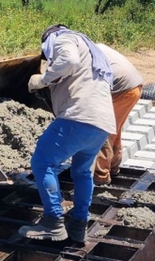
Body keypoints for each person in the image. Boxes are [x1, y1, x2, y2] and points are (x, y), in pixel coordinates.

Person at [20, 25, 115, 243]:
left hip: (78, 116)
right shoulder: (90, 51)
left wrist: (43, 79)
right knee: (82, 172)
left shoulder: (62, 38)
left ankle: (53, 222)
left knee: (42, 162)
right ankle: (78, 225)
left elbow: (68, 60)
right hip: (102, 123)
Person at [93, 43, 144, 185]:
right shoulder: (94, 47)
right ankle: (113, 166)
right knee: (114, 129)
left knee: (102, 131)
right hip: (134, 86)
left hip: (122, 89)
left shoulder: (82, 54)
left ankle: (101, 175)